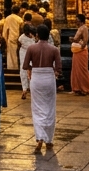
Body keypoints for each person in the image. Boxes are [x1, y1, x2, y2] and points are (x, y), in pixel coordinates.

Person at [23, 24, 61, 152]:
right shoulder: (54, 49)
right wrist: (51, 73)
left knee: (37, 108)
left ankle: (39, 138)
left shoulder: (31, 48)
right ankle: (49, 140)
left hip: (37, 78)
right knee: (49, 108)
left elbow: (25, 65)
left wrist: (33, 70)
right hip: (49, 78)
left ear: (37, 35)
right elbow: (59, 68)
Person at [70, 14, 89, 95]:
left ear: (80, 20)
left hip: (81, 51)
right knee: (75, 70)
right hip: (76, 52)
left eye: (76, 19)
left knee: (83, 70)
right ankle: (77, 88)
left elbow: (85, 41)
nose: (75, 20)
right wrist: (73, 40)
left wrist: (75, 41)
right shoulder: (80, 28)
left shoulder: (84, 28)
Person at [2, 6, 23, 76]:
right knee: (18, 55)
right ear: (18, 11)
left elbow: (5, 31)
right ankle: (17, 68)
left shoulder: (8, 18)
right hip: (18, 39)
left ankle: (11, 68)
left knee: (11, 55)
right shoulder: (20, 19)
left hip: (10, 38)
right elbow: (21, 30)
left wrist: (4, 40)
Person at [18, 22, 36, 99]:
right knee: (31, 70)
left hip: (23, 53)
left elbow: (18, 45)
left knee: (23, 70)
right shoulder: (33, 37)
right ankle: (31, 88)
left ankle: (25, 88)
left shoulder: (21, 38)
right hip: (31, 53)